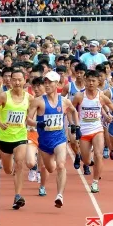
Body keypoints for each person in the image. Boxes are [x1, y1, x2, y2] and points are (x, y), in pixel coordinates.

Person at [28, 71, 77, 207]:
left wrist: (75, 125)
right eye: (46, 82)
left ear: (57, 84)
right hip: (44, 141)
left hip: (59, 138)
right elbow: (28, 119)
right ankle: (54, 171)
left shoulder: (64, 101)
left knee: (61, 165)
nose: (47, 84)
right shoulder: (38, 101)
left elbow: (73, 110)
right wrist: (38, 124)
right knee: (50, 168)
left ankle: (59, 195)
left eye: (50, 82)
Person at [0, 69, 34, 210]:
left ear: (24, 80)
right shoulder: (3, 96)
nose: (17, 82)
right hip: (4, 137)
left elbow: (30, 116)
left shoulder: (29, 98)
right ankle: (6, 164)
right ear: (10, 81)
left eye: (20, 79)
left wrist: (34, 124)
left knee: (20, 163)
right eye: (14, 79)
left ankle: (18, 195)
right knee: (8, 170)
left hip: (20, 136)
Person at [72, 71, 113, 193]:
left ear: (98, 82)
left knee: (99, 155)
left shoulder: (102, 96)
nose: (91, 83)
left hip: (97, 129)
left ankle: (95, 182)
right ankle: (89, 161)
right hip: (84, 131)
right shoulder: (79, 96)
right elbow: (71, 110)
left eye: (93, 81)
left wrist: (111, 116)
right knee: (87, 161)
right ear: (85, 81)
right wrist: (74, 124)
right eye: (88, 80)